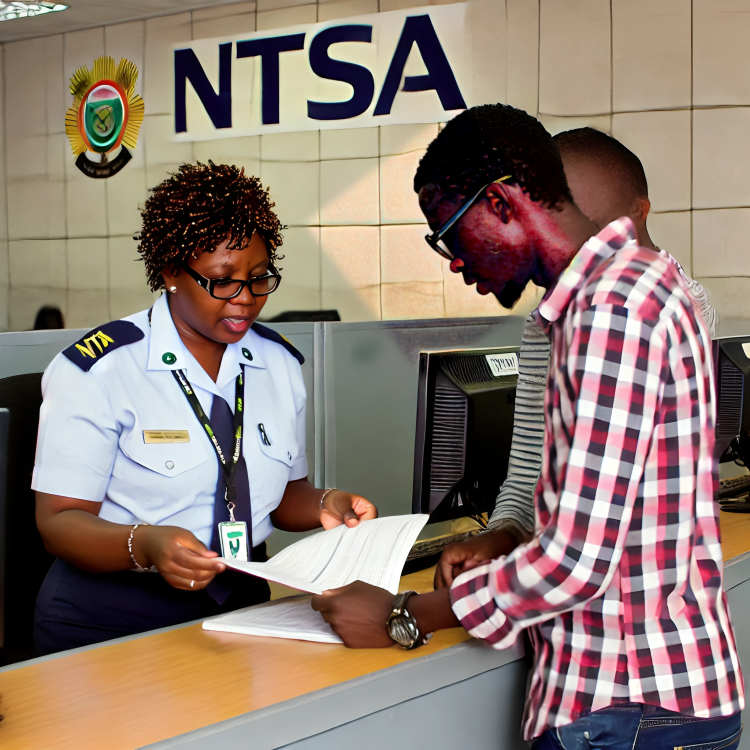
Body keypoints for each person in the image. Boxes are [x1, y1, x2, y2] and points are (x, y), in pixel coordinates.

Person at [311, 105, 743, 749]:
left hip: (624, 708)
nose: (454, 263)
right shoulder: (639, 287)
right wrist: (510, 535)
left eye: (450, 234)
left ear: (502, 203)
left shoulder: (609, 311)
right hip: (655, 695)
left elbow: (577, 560)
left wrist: (404, 614)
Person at [32, 162, 376, 656]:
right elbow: (58, 521)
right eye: (222, 281)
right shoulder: (102, 370)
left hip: (243, 604)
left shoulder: (277, 363)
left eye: (259, 279)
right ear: (171, 269)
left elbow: (280, 497)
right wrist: (145, 544)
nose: (245, 300)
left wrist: (328, 504)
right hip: (110, 617)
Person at [434, 127, 719, 587]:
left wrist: (415, 615)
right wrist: (503, 533)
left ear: (638, 212)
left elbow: (590, 542)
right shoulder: (547, 320)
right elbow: (532, 465)